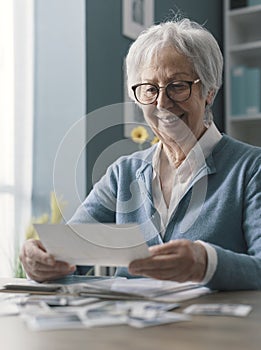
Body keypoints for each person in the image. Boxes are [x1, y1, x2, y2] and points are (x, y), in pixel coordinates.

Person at [20, 17, 261, 290]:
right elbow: (68, 257)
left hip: (216, 332)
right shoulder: (123, 173)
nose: (162, 102)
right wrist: (40, 259)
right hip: (129, 330)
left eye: (178, 86)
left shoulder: (252, 169)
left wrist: (206, 263)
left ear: (208, 91)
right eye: (149, 89)